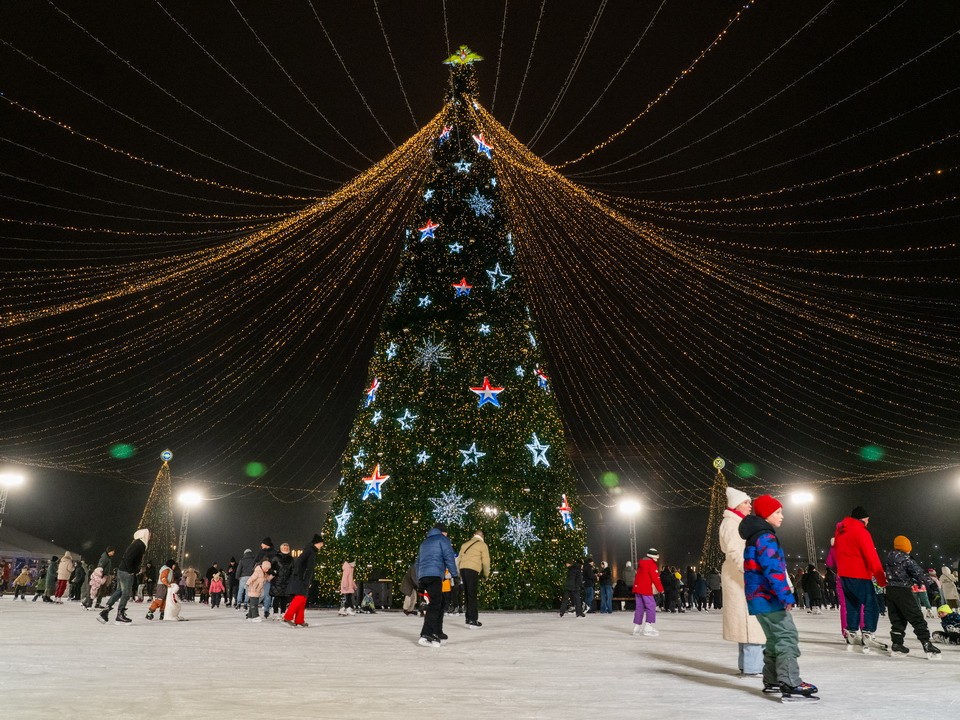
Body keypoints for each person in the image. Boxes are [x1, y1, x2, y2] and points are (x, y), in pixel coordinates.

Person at [740, 494, 818, 702]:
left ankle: (773, 679)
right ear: (766, 514)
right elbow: (773, 569)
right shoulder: (765, 537)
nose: (782, 516)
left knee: (775, 638)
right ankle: (790, 681)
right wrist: (786, 595)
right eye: (777, 512)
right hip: (768, 597)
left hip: (758, 598)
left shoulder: (755, 536)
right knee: (787, 636)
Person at [719, 486, 765, 676]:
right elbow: (735, 552)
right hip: (740, 577)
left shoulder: (738, 522)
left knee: (747, 622)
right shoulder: (732, 524)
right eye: (746, 502)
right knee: (750, 622)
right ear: (736, 505)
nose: (750, 505)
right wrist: (750, 571)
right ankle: (753, 667)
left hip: (739, 576)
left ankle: (747, 664)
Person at [833, 506, 887, 653]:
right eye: (868, 520)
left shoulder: (841, 531)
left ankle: (851, 632)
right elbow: (871, 556)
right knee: (871, 605)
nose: (868, 522)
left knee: (852, 604)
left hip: (844, 574)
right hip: (860, 574)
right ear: (863, 519)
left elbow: (837, 552)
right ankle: (868, 633)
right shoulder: (861, 531)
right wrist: (881, 578)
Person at [882, 535, 940, 658]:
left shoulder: (889, 558)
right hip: (903, 591)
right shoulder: (906, 559)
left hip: (890, 591)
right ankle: (926, 643)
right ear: (906, 547)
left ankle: (897, 644)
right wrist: (931, 585)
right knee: (916, 616)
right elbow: (919, 573)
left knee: (897, 618)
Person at [416, 522, 458, 647]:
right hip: (435, 575)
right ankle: (426, 633)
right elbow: (449, 557)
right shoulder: (443, 540)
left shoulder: (425, 542)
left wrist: (420, 579)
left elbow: (418, 562)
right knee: (435, 603)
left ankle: (437, 631)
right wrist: (455, 574)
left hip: (424, 575)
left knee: (439, 602)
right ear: (442, 532)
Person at [99, 528, 150, 625]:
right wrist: (131, 570)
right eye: (149, 534)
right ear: (144, 535)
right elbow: (128, 558)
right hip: (126, 572)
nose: (150, 536)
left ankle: (105, 612)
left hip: (122, 570)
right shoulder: (139, 545)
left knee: (120, 591)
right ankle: (120, 615)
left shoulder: (138, 544)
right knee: (126, 593)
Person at [283, 533, 324, 628]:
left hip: (305, 579)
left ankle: (299, 620)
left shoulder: (312, 552)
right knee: (300, 597)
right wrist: (301, 575)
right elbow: (299, 562)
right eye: (321, 544)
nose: (321, 546)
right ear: (316, 543)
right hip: (301, 578)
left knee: (303, 599)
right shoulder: (309, 551)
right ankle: (288, 617)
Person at [457, 529, 491, 628]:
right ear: (482, 536)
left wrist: (458, 572)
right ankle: (473, 619)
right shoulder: (482, 545)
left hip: (463, 569)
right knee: (472, 594)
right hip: (472, 570)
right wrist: (486, 574)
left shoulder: (465, 544)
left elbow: (459, 559)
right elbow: (486, 561)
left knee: (467, 594)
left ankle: (468, 618)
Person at [632, 548, 664, 636]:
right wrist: (661, 589)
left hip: (638, 588)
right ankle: (648, 627)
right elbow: (656, 578)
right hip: (645, 589)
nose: (657, 559)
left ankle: (637, 627)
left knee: (640, 607)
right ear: (653, 556)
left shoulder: (642, 563)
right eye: (657, 557)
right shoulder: (651, 564)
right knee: (651, 605)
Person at [269, 543, 294, 620]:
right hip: (277, 581)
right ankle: (275, 613)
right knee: (277, 598)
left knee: (284, 598)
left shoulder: (290, 558)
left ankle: (283, 612)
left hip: (286, 581)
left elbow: (292, 569)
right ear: (281, 548)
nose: (285, 549)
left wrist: (291, 578)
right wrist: (273, 572)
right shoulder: (276, 557)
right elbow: (270, 567)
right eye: (284, 548)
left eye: (287, 548)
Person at [254, 538, 276, 618]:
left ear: (266, 544)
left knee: (266, 594)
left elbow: (255, 562)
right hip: (261, 576)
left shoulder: (273, 553)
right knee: (261, 594)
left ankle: (266, 610)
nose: (261, 545)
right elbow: (255, 562)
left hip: (268, 576)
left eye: (262, 543)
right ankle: (254, 610)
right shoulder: (262, 552)